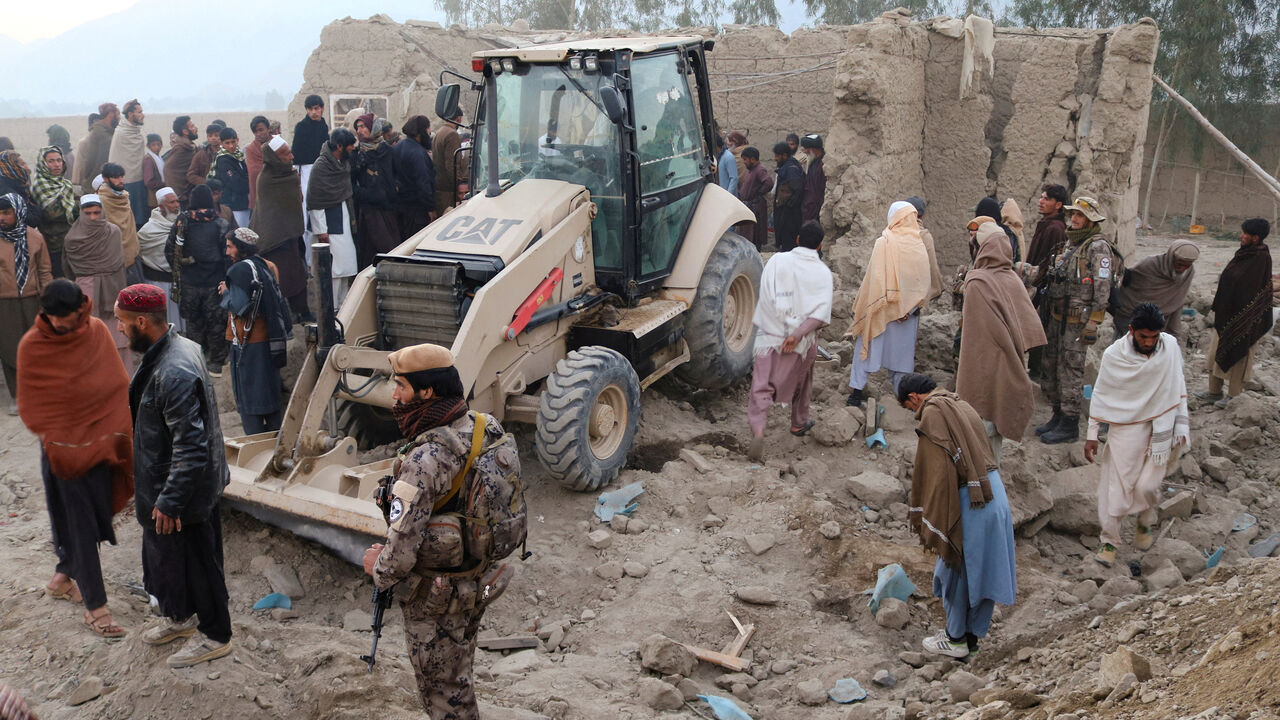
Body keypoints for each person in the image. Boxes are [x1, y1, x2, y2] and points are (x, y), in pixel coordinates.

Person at [361, 343, 515, 719]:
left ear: (427, 392)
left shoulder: (425, 459)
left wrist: (376, 567)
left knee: (442, 692)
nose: (394, 395)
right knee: (459, 678)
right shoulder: (485, 427)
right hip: (476, 582)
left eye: (401, 386)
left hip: (434, 599)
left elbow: (397, 559)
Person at [115, 284, 232, 669]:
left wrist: (170, 499)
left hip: (185, 491)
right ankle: (180, 618)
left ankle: (215, 635)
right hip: (171, 483)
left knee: (199, 562)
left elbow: (191, 444)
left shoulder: (173, 370)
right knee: (167, 560)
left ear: (142, 322)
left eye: (121, 322)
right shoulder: (176, 348)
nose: (118, 329)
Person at [17, 279, 134, 638]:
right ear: (46, 314)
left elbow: (114, 385)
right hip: (62, 450)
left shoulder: (96, 331)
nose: (62, 326)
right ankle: (96, 607)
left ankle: (62, 576)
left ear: (80, 309)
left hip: (97, 443)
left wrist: (106, 432)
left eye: (67, 319)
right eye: (55, 319)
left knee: (90, 513)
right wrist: (65, 438)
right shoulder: (33, 345)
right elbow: (33, 404)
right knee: (79, 520)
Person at [898, 373, 1016, 660]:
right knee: (977, 572)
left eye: (909, 408)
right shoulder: (959, 403)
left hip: (972, 501)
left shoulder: (934, 414)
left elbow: (939, 476)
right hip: (992, 494)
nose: (914, 414)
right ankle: (969, 639)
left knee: (954, 571)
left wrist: (936, 518)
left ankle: (954, 640)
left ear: (914, 398)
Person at [1084, 302, 1188, 567]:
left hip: (1161, 427)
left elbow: (1178, 386)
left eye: (1154, 337)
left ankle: (1144, 518)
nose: (1149, 342)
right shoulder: (1113, 355)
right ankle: (1109, 541)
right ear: (1131, 331)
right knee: (1117, 486)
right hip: (1125, 426)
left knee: (1147, 486)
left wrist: (1182, 426)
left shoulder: (1170, 347)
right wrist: (1092, 434)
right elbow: (1102, 394)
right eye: (1143, 336)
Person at [956, 222, 1048, 462]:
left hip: (983, 368)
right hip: (1010, 364)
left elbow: (974, 341)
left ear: (981, 248)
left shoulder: (977, 283)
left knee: (979, 429)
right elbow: (1027, 329)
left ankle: (982, 489)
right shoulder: (1012, 279)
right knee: (993, 425)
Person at [747, 220, 833, 461]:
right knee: (802, 379)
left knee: (761, 384)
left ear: (797, 240)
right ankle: (798, 422)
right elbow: (819, 314)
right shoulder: (823, 273)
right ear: (820, 245)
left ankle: (758, 429)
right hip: (801, 342)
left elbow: (765, 292)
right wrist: (796, 334)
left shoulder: (777, 260)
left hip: (769, 335)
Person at [1038, 196, 1115, 445]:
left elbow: (1103, 288)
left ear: (1091, 219)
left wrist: (1093, 321)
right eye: (1074, 215)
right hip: (1057, 318)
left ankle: (1070, 423)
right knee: (1051, 367)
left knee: (1071, 370)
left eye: (1080, 216)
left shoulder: (1098, 247)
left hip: (1077, 322)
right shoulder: (1070, 245)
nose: (1075, 219)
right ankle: (1058, 415)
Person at [844, 201, 931, 407]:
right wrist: (910, 309)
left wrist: (885, 305)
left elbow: (874, 281)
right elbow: (922, 284)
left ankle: (856, 393)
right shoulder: (919, 245)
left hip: (882, 310)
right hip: (906, 317)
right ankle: (904, 399)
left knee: (868, 348)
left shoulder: (884, 242)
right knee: (901, 359)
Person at [1198, 218, 1274, 409]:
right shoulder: (1244, 253)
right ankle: (1214, 392)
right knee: (1217, 352)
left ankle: (1233, 396)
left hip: (1245, 318)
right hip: (1227, 314)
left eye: (1246, 234)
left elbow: (1251, 289)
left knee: (1239, 354)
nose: (1242, 236)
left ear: (1255, 238)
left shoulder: (1260, 258)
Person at [220, 229, 287, 433]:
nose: (227, 252)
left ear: (242, 248)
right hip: (269, 340)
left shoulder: (240, 270)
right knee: (270, 396)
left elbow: (239, 306)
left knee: (250, 401)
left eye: (230, 247)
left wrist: (226, 292)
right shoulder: (267, 266)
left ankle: (255, 444)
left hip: (248, 344)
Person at [168, 185, 231, 376]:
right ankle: (216, 362)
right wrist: (228, 280)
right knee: (217, 323)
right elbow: (229, 255)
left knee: (193, 324)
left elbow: (170, 251)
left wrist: (182, 269)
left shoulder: (182, 223)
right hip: (215, 283)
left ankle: (196, 361)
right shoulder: (221, 224)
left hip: (189, 284)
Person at [0, 193, 54, 412]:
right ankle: (17, 396)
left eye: (6, 213)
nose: (1, 218)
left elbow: (44, 270)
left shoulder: (35, 237)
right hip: (4, 303)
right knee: (10, 349)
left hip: (33, 300)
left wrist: (49, 300)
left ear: (18, 212)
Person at [64, 195, 131, 369]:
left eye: (96, 212)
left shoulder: (113, 232)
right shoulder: (72, 238)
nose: (93, 217)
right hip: (86, 290)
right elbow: (68, 268)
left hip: (112, 290)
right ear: (81, 213)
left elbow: (119, 264)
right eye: (88, 213)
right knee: (88, 334)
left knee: (117, 335)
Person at [251, 135, 311, 322]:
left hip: (290, 235)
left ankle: (302, 311)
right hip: (275, 239)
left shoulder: (288, 174)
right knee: (280, 279)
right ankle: (284, 317)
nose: (291, 157)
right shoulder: (268, 179)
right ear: (275, 157)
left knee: (297, 275)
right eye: (286, 154)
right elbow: (272, 210)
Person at [307, 128, 359, 308]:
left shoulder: (341, 163)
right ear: (339, 146)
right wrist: (321, 231)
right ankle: (333, 310)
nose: (353, 148)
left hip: (343, 219)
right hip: (329, 226)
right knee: (334, 271)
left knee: (345, 268)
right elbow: (315, 200)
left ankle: (343, 309)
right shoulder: (322, 166)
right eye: (350, 145)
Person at [1110, 239, 1199, 341]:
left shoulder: (1188, 273)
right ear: (1171, 258)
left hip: (1159, 321)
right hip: (1131, 316)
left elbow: (1178, 299)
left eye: (1186, 266)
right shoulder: (1150, 264)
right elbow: (1127, 282)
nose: (1182, 269)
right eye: (1179, 264)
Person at [1024, 184, 1069, 379]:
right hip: (1036, 285)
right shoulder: (1046, 224)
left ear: (1058, 204)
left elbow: (1050, 262)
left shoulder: (1056, 229)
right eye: (1041, 197)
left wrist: (1036, 284)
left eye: (1047, 199)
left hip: (1044, 289)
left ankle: (1038, 371)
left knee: (1040, 328)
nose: (1041, 202)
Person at [351, 117, 400, 268]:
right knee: (369, 254)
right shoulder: (356, 154)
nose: (359, 131)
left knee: (391, 249)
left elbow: (397, 175)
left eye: (363, 126)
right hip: (367, 211)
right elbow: (351, 184)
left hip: (388, 208)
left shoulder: (388, 151)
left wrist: (392, 190)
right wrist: (365, 194)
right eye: (357, 127)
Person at [138, 187, 183, 329]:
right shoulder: (148, 230)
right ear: (161, 206)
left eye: (177, 201)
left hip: (179, 284)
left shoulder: (184, 224)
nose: (176, 205)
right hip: (156, 283)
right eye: (172, 202)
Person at [30, 146, 79, 278]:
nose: (57, 164)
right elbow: (52, 214)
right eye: (51, 161)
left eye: (59, 160)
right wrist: (76, 206)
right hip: (52, 245)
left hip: (71, 242)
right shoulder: (38, 186)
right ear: (43, 164)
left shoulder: (66, 185)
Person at [292, 95, 329, 259]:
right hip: (305, 170)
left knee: (320, 209)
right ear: (307, 110)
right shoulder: (301, 127)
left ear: (322, 108)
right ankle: (305, 257)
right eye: (311, 109)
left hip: (320, 169)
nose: (314, 112)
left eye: (317, 108)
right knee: (306, 211)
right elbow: (297, 155)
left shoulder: (323, 125)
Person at [107, 99, 149, 227]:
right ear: (130, 114)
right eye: (140, 112)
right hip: (126, 182)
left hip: (140, 179)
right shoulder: (121, 133)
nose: (143, 115)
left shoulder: (137, 131)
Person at [99, 162, 142, 283]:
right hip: (113, 259)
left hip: (132, 256)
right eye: (116, 177)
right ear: (106, 179)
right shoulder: (100, 202)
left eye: (122, 176)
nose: (121, 180)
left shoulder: (124, 197)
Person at [394, 115, 436, 240]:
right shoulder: (418, 153)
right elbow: (423, 183)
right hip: (417, 211)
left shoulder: (398, 147)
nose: (429, 133)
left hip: (400, 208)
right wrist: (431, 208)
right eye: (428, 129)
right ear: (421, 131)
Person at [906, 196, 944, 304]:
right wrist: (937, 288)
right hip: (916, 293)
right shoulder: (924, 235)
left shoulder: (893, 232)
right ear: (922, 215)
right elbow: (932, 265)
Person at [209, 128, 249, 228]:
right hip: (233, 204)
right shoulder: (223, 160)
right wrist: (248, 183)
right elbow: (236, 183)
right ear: (221, 143)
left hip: (242, 202)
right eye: (227, 143)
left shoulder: (238, 156)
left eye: (233, 142)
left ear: (237, 140)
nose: (231, 146)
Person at [772, 142, 805, 252]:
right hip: (786, 214)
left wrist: (787, 208)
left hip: (790, 217)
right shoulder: (788, 167)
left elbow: (795, 192)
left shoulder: (792, 169)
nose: (775, 158)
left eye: (777, 156)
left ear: (784, 155)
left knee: (789, 245)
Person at [78, 104, 118, 193]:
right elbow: (91, 159)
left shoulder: (109, 131)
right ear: (111, 114)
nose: (119, 118)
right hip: (97, 182)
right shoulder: (101, 133)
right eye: (117, 114)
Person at [433, 109, 465, 217]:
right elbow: (452, 165)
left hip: (440, 190)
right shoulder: (452, 134)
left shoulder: (439, 132)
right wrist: (458, 187)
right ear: (459, 118)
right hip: (448, 192)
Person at [737, 147, 770, 250]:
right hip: (750, 206)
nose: (744, 162)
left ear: (752, 159)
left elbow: (768, 182)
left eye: (746, 160)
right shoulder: (751, 170)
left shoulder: (760, 170)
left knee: (754, 236)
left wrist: (758, 193)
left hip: (755, 208)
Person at [0, 151, 42, 228]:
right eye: (22, 164)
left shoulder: (21, 186)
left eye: (25, 163)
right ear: (10, 167)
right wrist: (39, 209)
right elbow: (31, 220)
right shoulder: (6, 192)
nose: (27, 168)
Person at [185, 123, 226, 200]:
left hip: (225, 193)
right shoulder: (201, 155)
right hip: (206, 194)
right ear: (207, 138)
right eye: (210, 136)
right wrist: (207, 183)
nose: (213, 138)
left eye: (216, 135)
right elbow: (190, 175)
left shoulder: (227, 153)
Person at [164, 116, 199, 200]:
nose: (195, 128)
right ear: (185, 131)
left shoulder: (189, 146)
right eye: (192, 126)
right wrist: (179, 193)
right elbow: (169, 170)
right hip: (182, 196)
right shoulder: (181, 148)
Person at [245, 116, 271, 213]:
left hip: (279, 193)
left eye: (261, 130)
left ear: (269, 129)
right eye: (255, 132)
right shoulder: (251, 149)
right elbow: (254, 171)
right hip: (259, 195)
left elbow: (286, 166)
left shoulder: (278, 145)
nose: (258, 134)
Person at [799, 133, 825, 224]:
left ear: (813, 149)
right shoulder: (813, 163)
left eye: (806, 149)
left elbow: (818, 193)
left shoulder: (823, 166)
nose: (804, 152)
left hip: (816, 213)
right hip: (808, 211)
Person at [142, 133, 166, 212]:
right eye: (153, 145)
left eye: (158, 144)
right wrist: (164, 184)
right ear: (148, 146)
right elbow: (149, 182)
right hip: (153, 197)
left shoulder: (159, 158)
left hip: (159, 195)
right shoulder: (149, 159)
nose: (156, 147)